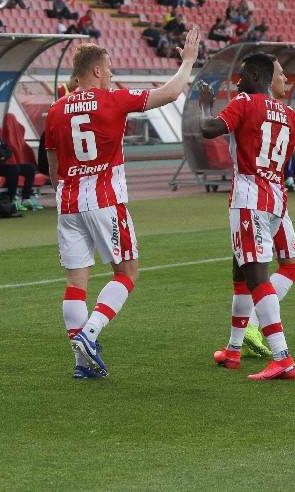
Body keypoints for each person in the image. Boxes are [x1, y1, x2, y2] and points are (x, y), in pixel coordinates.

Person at [45, 26, 200, 379]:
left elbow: (53, 167)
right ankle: (89, 334)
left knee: (75, 282)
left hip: (67, 202)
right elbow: (171, 92)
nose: (112, 73)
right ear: (96, 70)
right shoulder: (113, 98)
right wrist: (188, 61)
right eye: (109, 67)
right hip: (105, 200)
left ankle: (82, 363)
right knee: (127, 273)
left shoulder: (55, 110)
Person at [198, 53, 295, 380]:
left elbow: (209, 129)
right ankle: (232, 350)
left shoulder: (245, 102)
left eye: (242, 76)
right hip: (276, 198)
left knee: (255, 275)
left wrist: (204, 105)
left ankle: (282, 356)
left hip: (249, 198)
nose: (238, 81)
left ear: (256, 75)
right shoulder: (289, 114)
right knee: (242, 271)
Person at [0, 112, 41, 210]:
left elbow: (8, 150)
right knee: (14, 169)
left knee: (30, 168)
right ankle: (11, 200)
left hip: (2, 164)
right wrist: (2, 154)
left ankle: (25, 198)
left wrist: (3, 155)